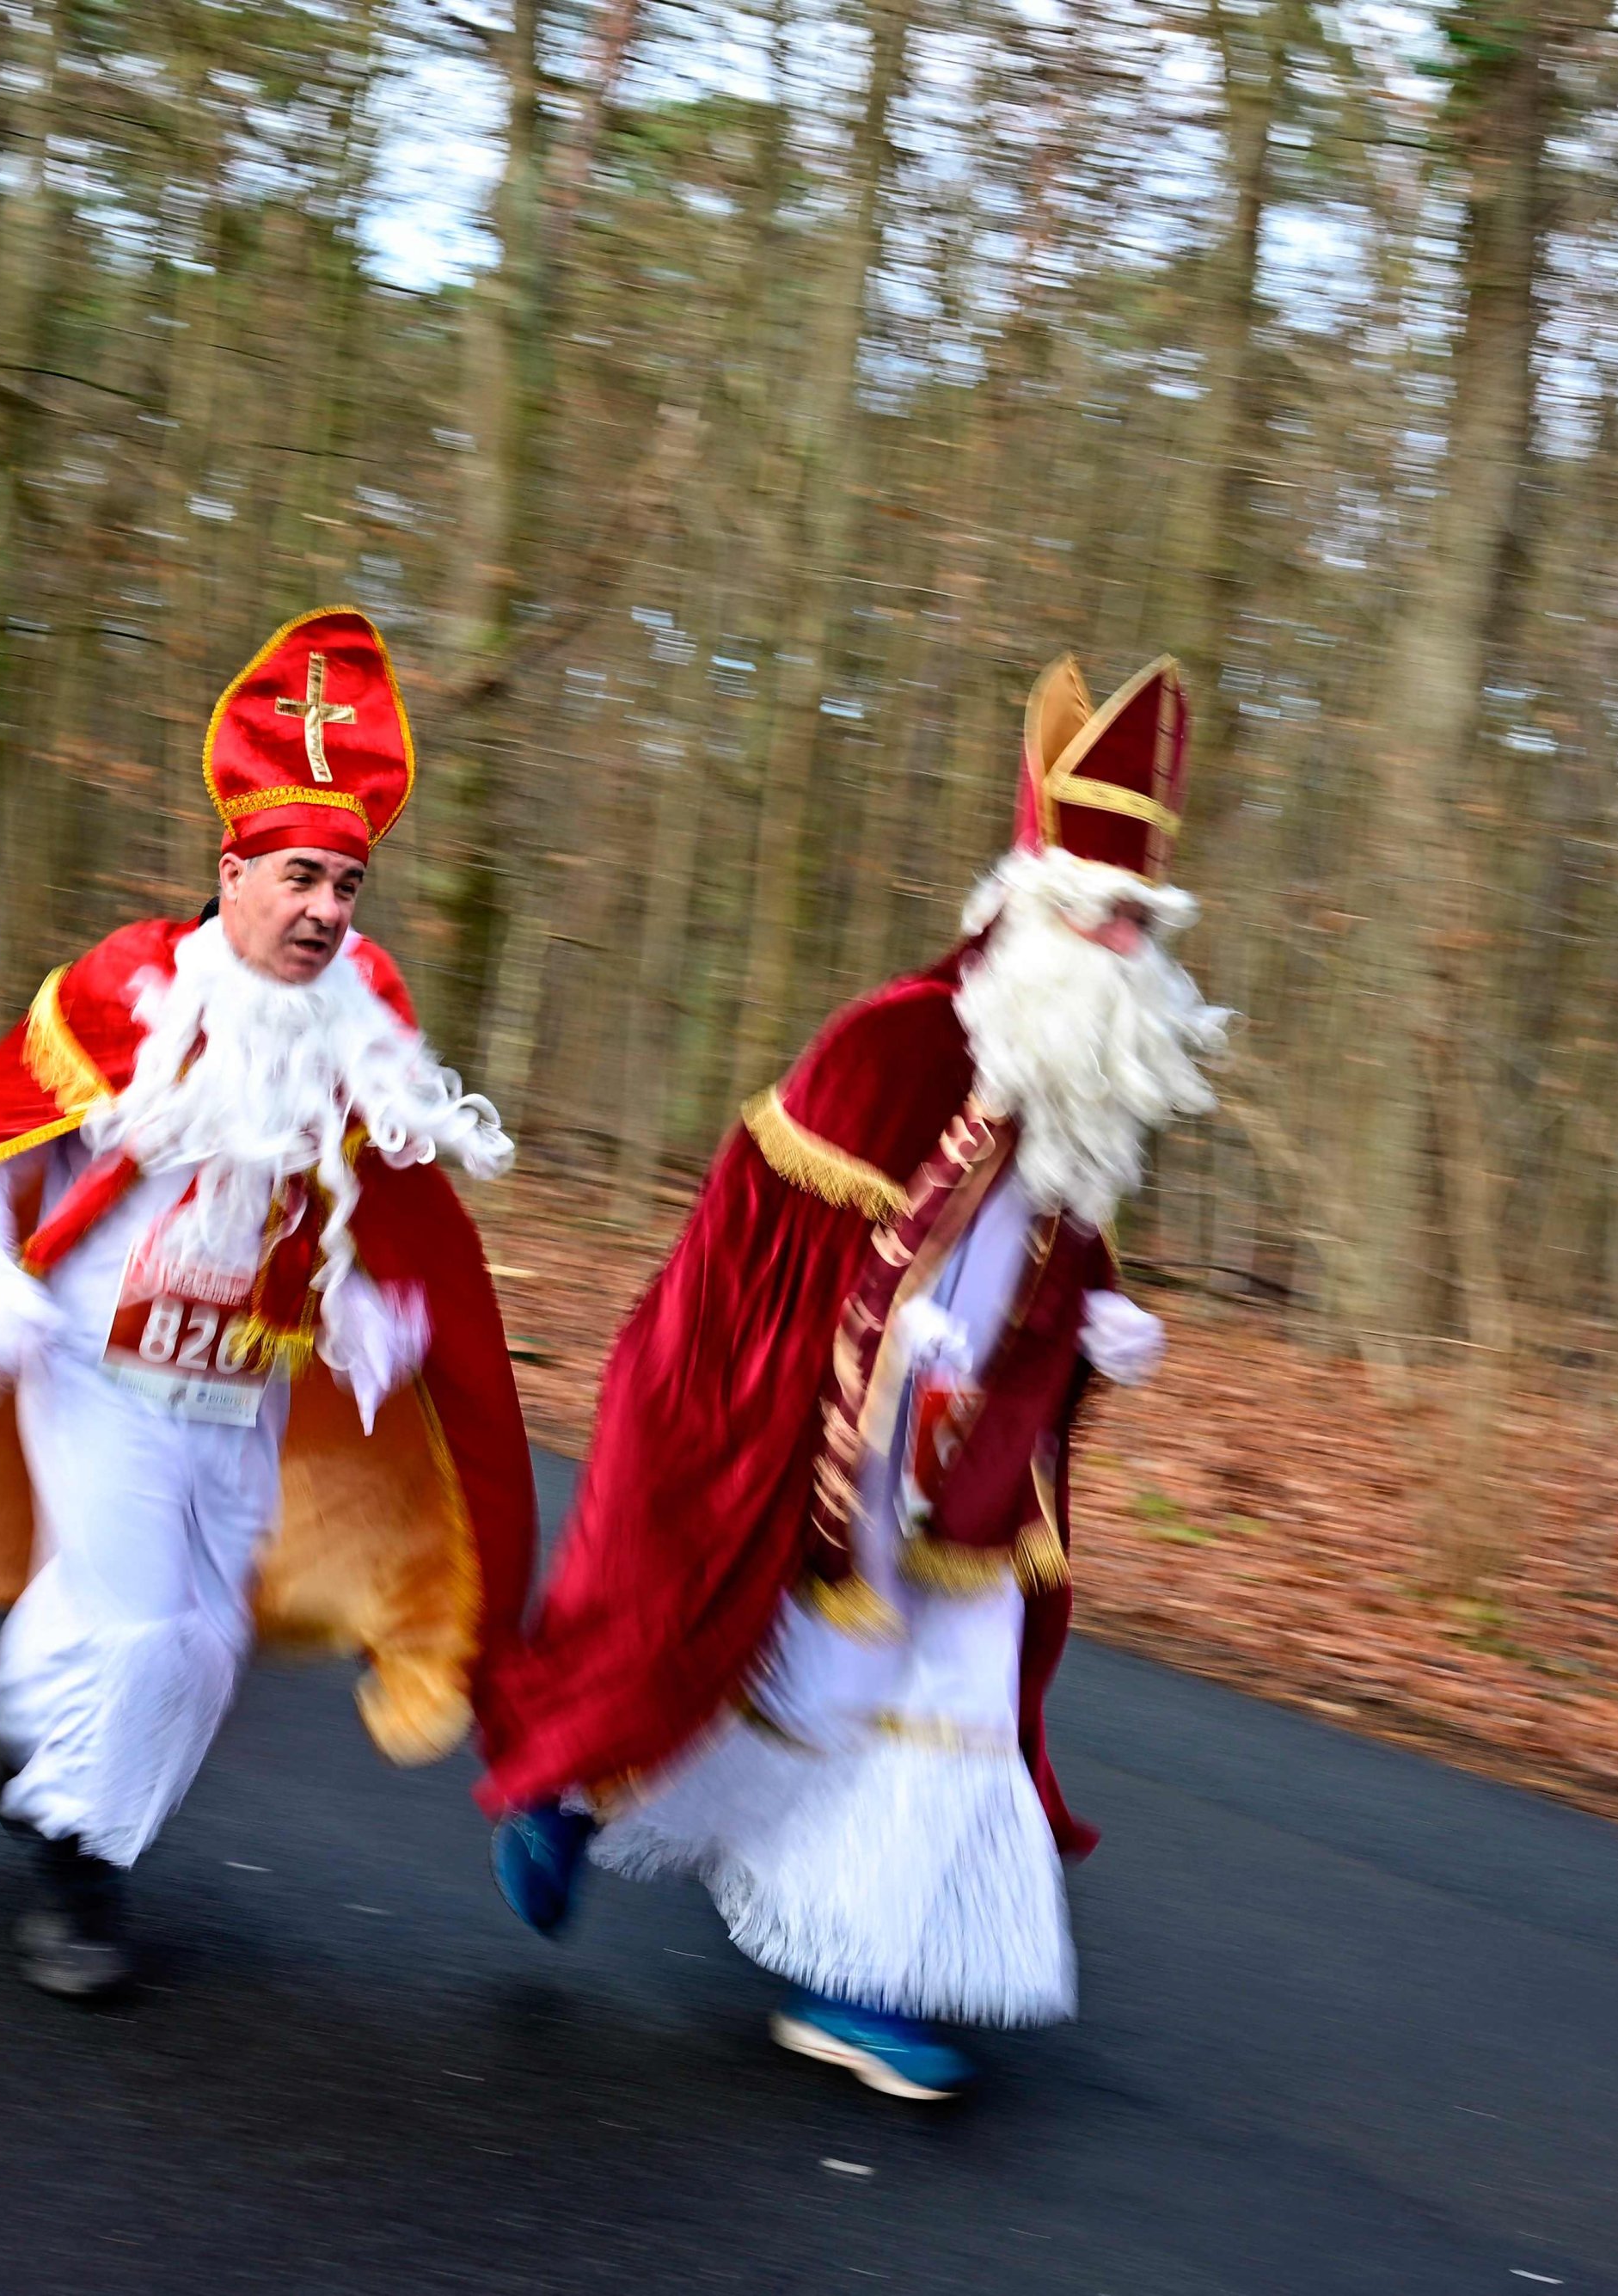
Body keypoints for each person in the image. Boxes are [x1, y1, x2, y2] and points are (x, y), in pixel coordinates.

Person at [0, 608, 535, 1998]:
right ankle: (80, 1873)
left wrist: (376, 1307)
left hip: (240, 1381)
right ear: (232, 871)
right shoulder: (121, 988)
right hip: (94, 1358)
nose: (324, 910)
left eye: (347, 887)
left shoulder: (360, 1015)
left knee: (207, 1638)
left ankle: (33, 1734)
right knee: (138, 1626)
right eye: (300, 877)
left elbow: (375, 1194)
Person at [473, 654, 1228, 2103]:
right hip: (828, 1429)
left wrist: (1092, 1326)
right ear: (1025, 907)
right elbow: (746, 1254)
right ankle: (579, 1788)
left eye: (1142, 922)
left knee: (943, 1697)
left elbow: (1049, 1247)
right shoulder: (892, 1044)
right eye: (1098, 915)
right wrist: (875, 1344)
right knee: (777, 1659)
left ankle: (854, 1979)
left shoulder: (1082, 1085)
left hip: (972, 1461)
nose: (1123, 949)